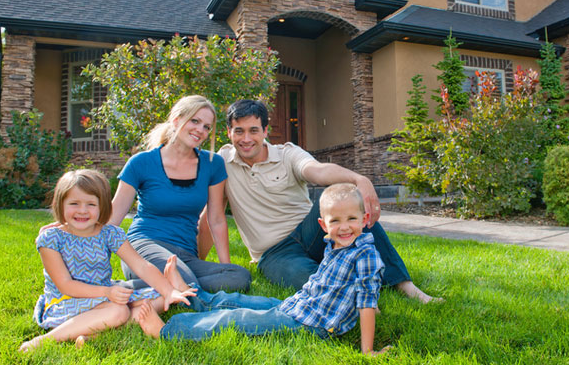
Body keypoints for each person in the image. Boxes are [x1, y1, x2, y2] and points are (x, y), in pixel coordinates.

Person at [200, 99, 439, 303]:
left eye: (253, 130)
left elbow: (319, 171)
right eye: (238, 131)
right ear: (229, 133)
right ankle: (351, 287)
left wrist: (358, 179)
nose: (246, 138)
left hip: (312, 231)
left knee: (351, 202)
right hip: (274, 254)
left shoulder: (287, 153)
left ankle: (404, 285)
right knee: (308, 281)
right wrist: (217, 267)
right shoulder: (222, 162)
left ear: (265, 131)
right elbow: (213, 217)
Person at [136, 184, 390, 355]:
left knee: (239, 319)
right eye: (336, 221)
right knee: (239, 301)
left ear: (365, 220)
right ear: (323, 225)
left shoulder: (365, 256)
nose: (344, 227)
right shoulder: (335, 243)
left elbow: (366, 304)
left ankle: (168, 331)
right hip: (301, 305)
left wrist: (367, 352)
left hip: (313, 324)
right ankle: (194, 296)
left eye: (352, 219)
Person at [20, 169, 196, 352]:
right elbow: (65, 285)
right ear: (60, 204)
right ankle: (46, 339)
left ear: (102, 206)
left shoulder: (109, 234)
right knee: (120, 311)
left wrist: (168, 292)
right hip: (67, 301)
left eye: (91, 204)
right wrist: (107, 292)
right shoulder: (51, 239)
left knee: (159, 298)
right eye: (74, 203)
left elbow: (141, 266)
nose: (82, 210)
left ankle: (92, 335)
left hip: (105, 297)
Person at [110, 95, 251, 293]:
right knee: (182, 277)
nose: (200, 130)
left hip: (186, 254)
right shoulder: (141, 162)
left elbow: (217, 219)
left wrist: (225, 266)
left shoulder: (213, 164)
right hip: (144, 246)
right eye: (195, 121)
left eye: (206, 127)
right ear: (176, 120)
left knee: (239, 277)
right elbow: (113, 218)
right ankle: (172, 286)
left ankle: (136, 289)